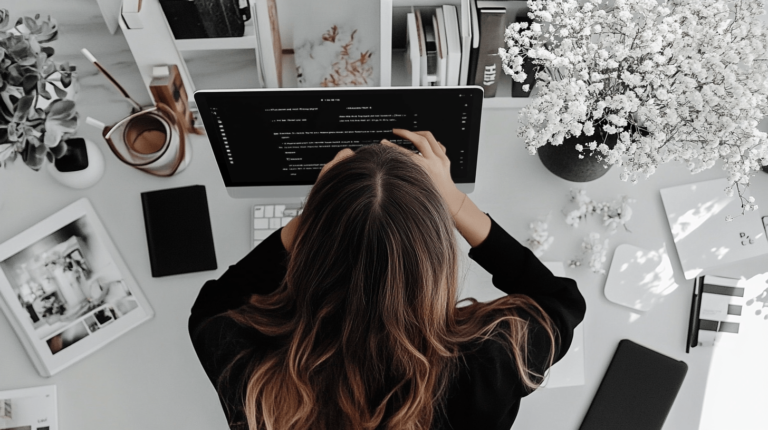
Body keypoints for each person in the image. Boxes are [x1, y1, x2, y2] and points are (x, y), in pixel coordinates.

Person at [189, 129, 586, 430]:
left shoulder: (258, 380)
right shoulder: (491, 364)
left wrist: (318, 214)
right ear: (437, 260)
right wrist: (454, 200)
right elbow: (559, 300)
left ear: (312, 255)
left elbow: (210, 308)